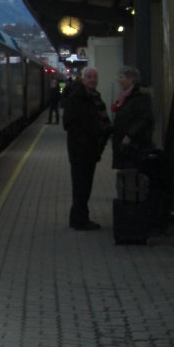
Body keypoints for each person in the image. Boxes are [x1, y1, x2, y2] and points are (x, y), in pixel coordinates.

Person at [62, 67, 111, 229]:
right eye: (89, 77)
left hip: (91, 150)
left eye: (95, 77)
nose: (92, 80)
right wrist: (85, 142)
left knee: (84, 186)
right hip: (81, 151)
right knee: (81, 186)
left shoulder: (94, 97)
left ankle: (76, 218)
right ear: (82, 80)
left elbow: (102, 120)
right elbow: (69, 124)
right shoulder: (76, 98)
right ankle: (80, 220)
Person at [110, 65, 154, 169]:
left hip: (134, 145)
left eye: (121, 77)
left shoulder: (140, 96)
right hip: (125, 143)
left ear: (131, 78)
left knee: (132, 173)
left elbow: (144, 118)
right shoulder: (125, 95)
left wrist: (130, 135)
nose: (119, 80)